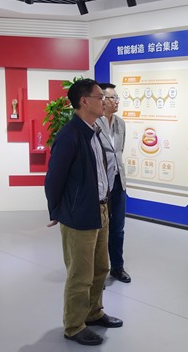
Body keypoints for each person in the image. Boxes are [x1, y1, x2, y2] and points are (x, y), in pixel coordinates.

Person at [45, 79, 123, 346]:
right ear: (83, 101)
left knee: (101, 268)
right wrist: (56, 210)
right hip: (79, 215)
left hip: (100, 209)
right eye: (100, 97)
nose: (105, 101)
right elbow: (54, 178)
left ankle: (93, 312)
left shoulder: (94, 131)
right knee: (80, 275)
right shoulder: (69, 135)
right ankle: (74, 325)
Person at [96, 83, 130, 283]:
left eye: (117, 98)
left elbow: (119, 151)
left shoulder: (121, 124)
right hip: (101, 185)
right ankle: (97, 273)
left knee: (118, 228)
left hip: (118, 182)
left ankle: (117, 267)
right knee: (100, 230)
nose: (116, 102)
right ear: (102, 100)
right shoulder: (94, 124)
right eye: (112, 98)